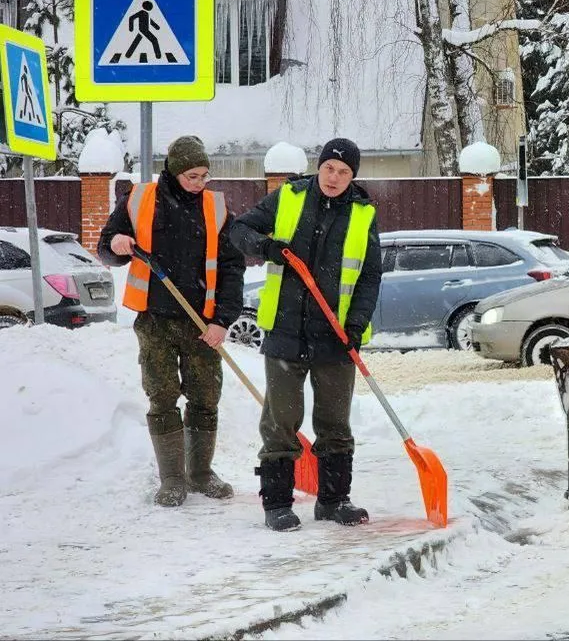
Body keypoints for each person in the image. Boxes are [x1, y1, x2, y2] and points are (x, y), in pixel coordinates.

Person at [229, 138, 382, 532]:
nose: (334, 177)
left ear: (353, 176)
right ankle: (277, 503)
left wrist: (355, 325)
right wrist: (267, 247)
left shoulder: (363, 213)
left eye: (344, 172)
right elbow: (239, 229)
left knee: (335, 422)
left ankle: (334, 500)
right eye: (329, 168)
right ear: (320, 166)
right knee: (280, 421)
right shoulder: (290, 197)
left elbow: (369, 276)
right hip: (286, 331)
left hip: (335, 336)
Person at [97, 136, 245, 507]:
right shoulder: (139, 199)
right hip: (155, 321)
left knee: (205, 396)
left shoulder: (215, 208)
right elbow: (106, 245)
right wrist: (116, 244)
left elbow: (232, 267)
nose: (199, 183)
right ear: (175, 171)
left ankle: (200, 473)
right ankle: (173, 479)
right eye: (192, 176)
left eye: (204, 175)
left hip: (202, 323)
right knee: (162, 396)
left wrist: (222, 320)